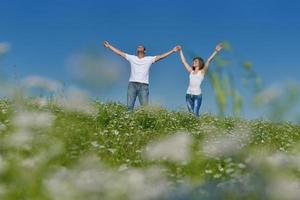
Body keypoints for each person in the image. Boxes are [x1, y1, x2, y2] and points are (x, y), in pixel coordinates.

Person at [103, 41, 180, 111]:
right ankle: (129, 123)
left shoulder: (149, 59)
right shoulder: (132, 58)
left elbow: (161, 56)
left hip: (144, 86)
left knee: (145, 108)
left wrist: (172, 51)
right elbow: (120, 53)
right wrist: (109, 46)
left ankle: (144, 124)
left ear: (144, 51)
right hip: (132, 85)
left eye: (141, 46)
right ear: (137, 50)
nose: (139, 47)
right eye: (138, 47)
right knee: (129, 107)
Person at [178, 44, 223, 117]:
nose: (193, 62)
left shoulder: (202, 72)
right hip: (188, 95)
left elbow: (209, 60)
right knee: (191, 114)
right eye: (193, 61)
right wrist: (180, 51)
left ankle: (198, 127)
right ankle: (192, 127)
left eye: (195, 61)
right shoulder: (191, 71)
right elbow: (184, 62)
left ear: (199, 63)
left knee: (195, 113)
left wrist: (216, 51)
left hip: (197, 96)